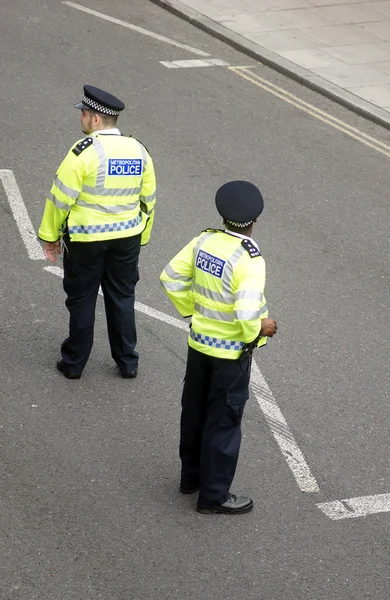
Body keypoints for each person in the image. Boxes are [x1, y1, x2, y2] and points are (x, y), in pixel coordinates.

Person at [160, 181, 277, 515]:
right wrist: (259, 330)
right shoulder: (251, 260)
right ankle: (213, 496)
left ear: (223, 215)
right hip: (230, 356)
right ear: (255, 219)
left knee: (194, 413)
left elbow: (169, 277)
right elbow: (245, 312)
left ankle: (190, 479)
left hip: (199, 347)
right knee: (223, 424)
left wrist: (192, 310)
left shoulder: (204, 240)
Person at [38, 85, 156, 379]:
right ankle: (128, 362)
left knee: (82, 298)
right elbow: (148, 199)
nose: (80, 118)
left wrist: (50, 236)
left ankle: (74, 363)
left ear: (95, 120)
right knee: (122, 297)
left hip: (87, 240)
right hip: (127, 238)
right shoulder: (138, 149)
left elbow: (60, 197)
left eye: (84, 114)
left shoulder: (83, 152)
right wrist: (142, 236)